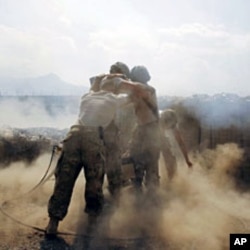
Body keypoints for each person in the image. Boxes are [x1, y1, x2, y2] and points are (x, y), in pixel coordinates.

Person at [45, 73, 147, 237]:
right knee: (94, 182)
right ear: (115, 89)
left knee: (64, 180)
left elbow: (96, 80)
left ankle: (53, 223)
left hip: (72, 136)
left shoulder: (87, 96)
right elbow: (140, 91)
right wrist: (124, 81)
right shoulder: (115, 99)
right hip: (93, 139)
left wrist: (109, 76)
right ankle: (92, 224)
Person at [99, 65, 161, 194]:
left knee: (150, 167)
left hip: (151, 131)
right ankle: (140, 196)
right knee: (135, 163)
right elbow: (121, 102)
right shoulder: (139, 92)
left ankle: (151, 200)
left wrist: (117, 80)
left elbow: (128, 92)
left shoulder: (147, 89)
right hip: (143, 129)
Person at [89, 62, 130, 199]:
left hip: (102, 135)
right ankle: (110, 203)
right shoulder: (108, 89)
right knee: (108, 171)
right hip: (105, 135)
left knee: (103, 172)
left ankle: (104, 204)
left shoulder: (100, 85)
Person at [160, 109, 193, 179]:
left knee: (171, 162)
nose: (170, 127)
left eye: (172, 125)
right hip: (145, 148)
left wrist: (187, 160)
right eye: (168, 124)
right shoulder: (154, 125)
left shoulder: (172, 126)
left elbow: (180, 143)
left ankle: (171, 181)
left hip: (161, 144)